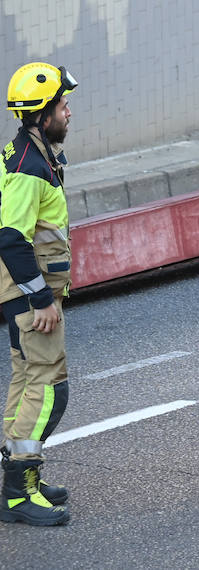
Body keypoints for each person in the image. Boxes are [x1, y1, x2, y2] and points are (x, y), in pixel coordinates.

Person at [1, 63, 79, 525]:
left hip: (20, 290)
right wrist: (41, 299)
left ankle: (17, 479)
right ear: (41, 115)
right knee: (51, 387)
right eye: (61, 106)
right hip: (30, 294)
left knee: (25, 379)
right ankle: (19, 489)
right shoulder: (31, 167)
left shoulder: (30, 152)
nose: (68, 112)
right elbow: (12, 236)